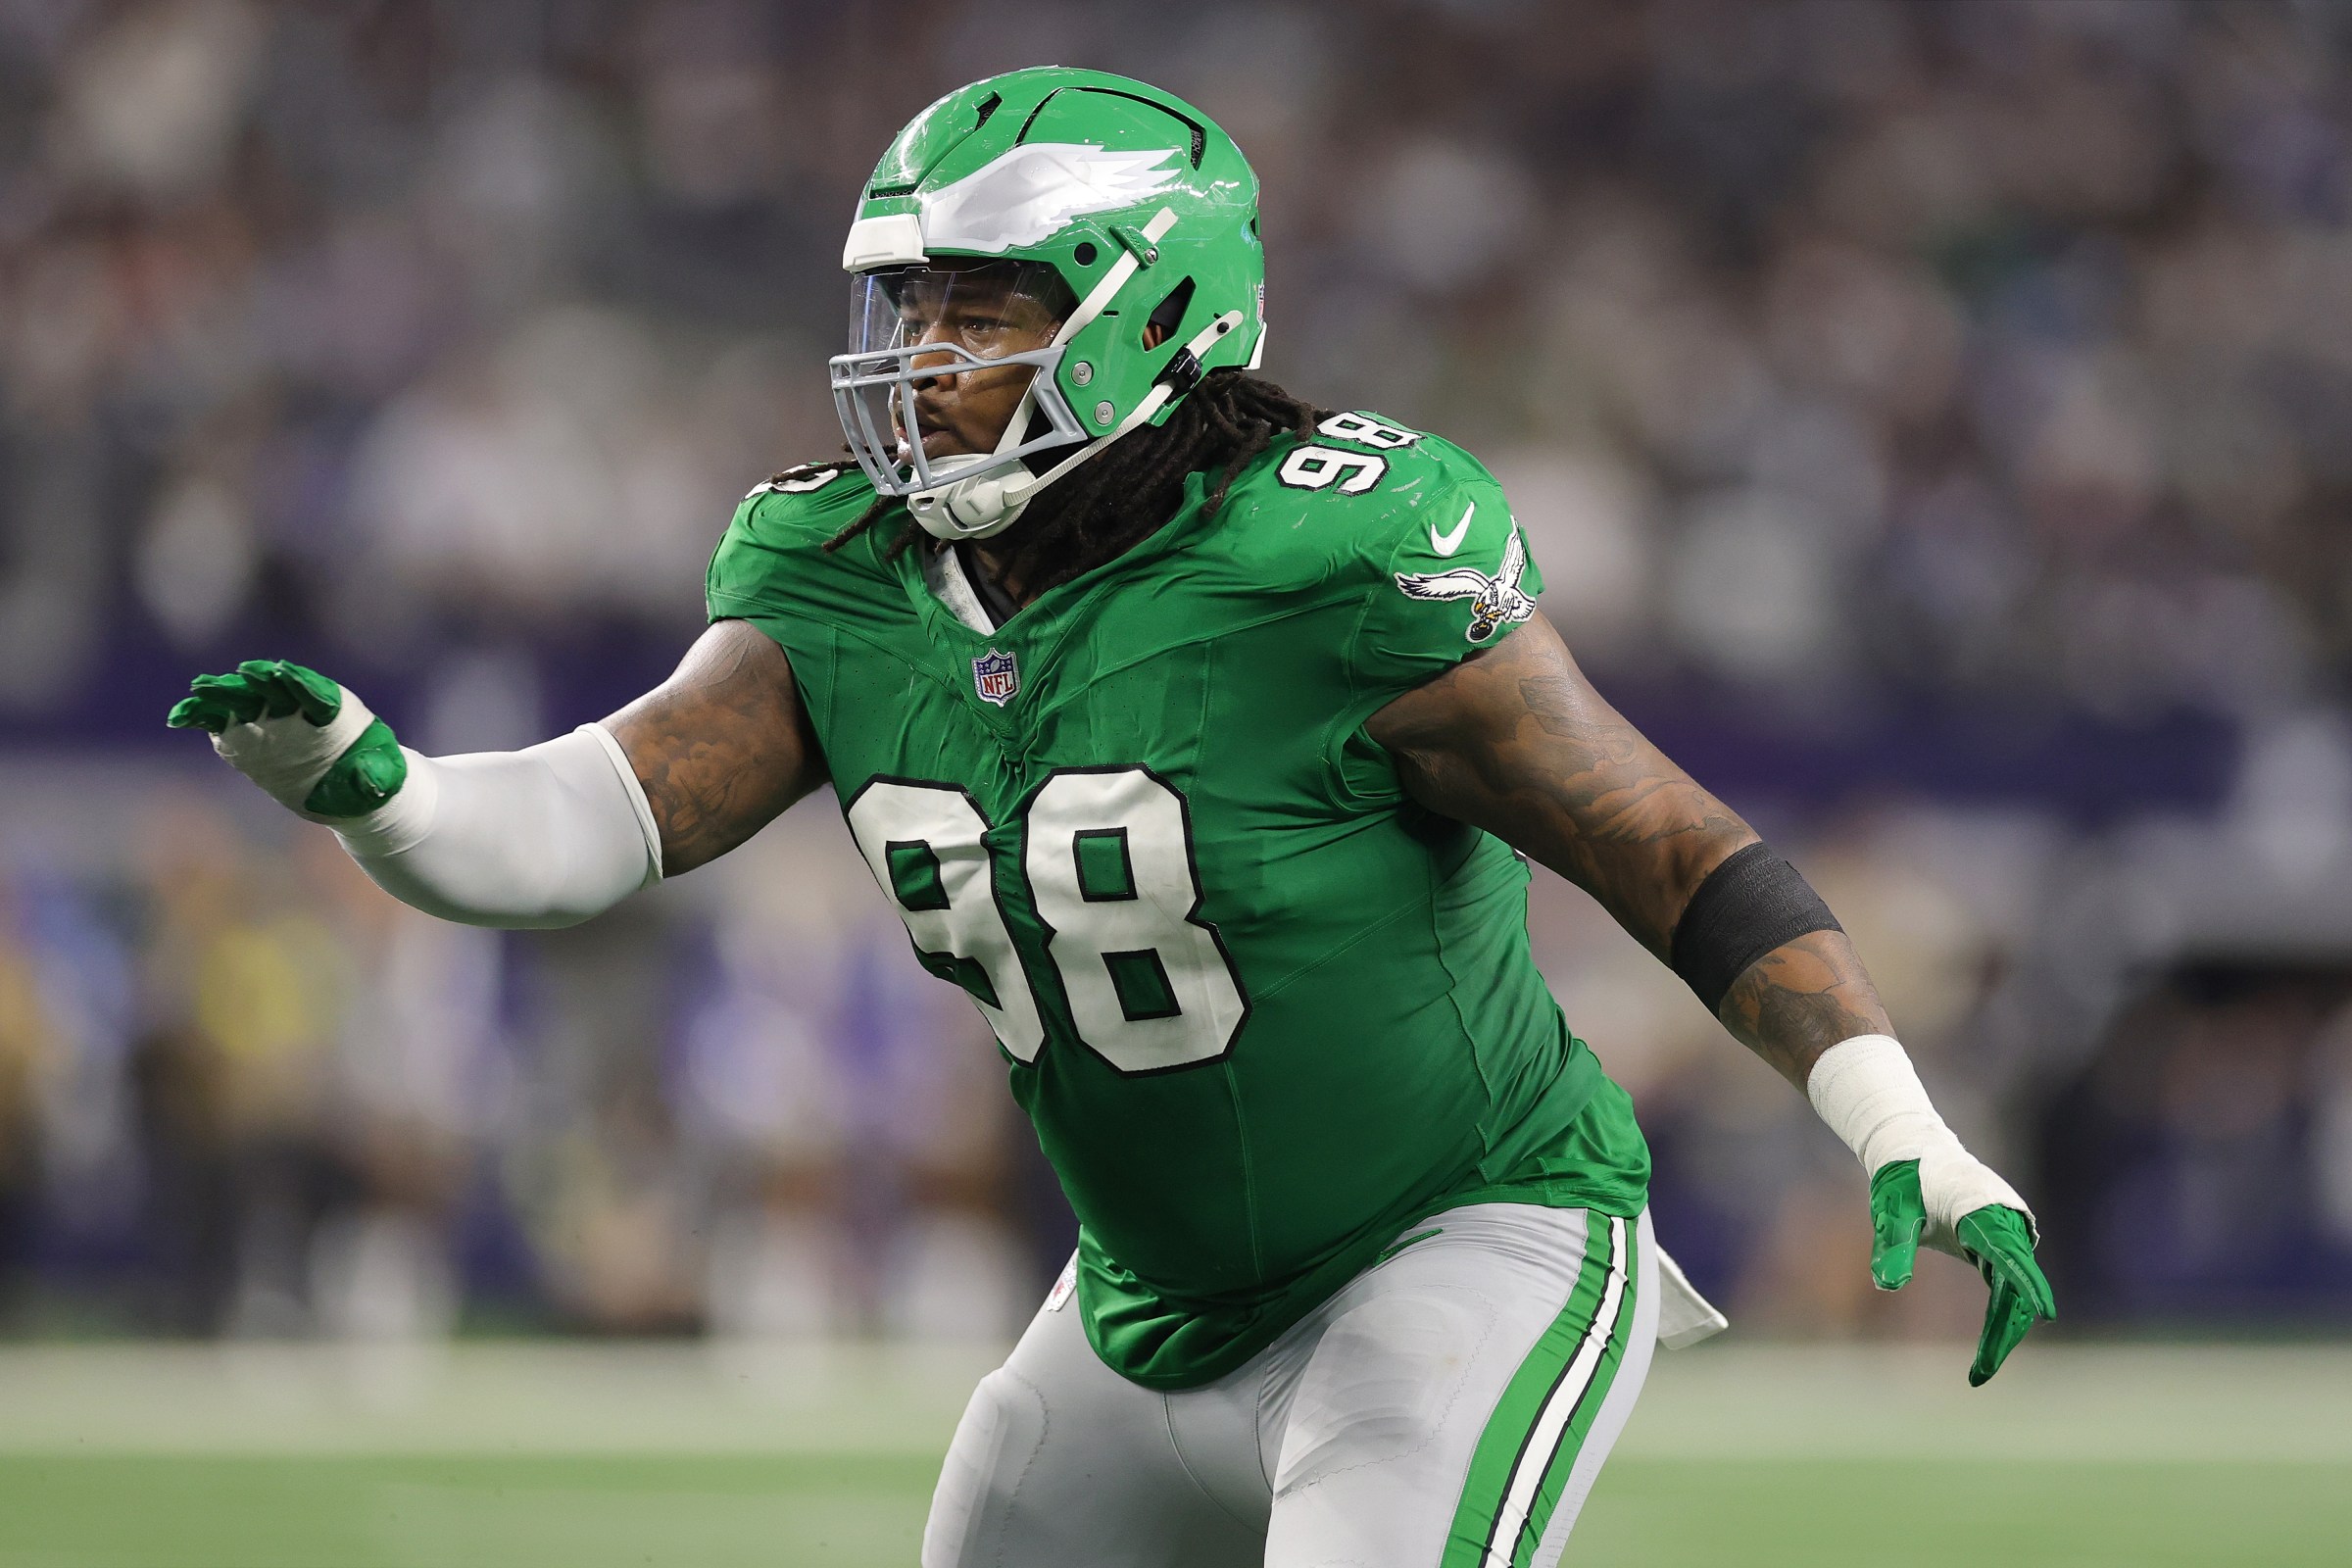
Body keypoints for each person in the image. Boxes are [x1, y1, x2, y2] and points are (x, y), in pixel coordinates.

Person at [169, 67, 2053, 1568]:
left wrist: (1899, 1122)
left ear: (1147, 317)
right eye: (901, 312)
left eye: (978, 316)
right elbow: (594, 818)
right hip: (1139, 1304)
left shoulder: (1341, 553)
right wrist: (380, 795)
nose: (920, 369)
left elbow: (1669, 846)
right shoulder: (837, 567)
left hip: (1462, 1244)